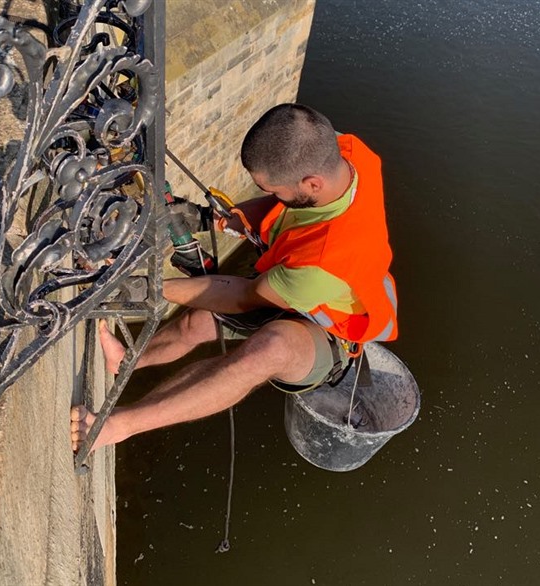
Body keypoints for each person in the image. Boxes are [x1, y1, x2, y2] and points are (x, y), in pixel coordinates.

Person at [70, 103, 398, 452]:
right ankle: (126, 361)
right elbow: (285, 204)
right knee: (197, 322)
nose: (271, 197)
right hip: (299, 279)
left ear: (311, 183)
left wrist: (149, 289)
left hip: (329, 328)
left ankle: (119, 426)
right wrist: (218, 217)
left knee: (270, 348)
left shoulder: (327, 262)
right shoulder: (341, 152)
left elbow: (244, 295)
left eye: (274, 191)